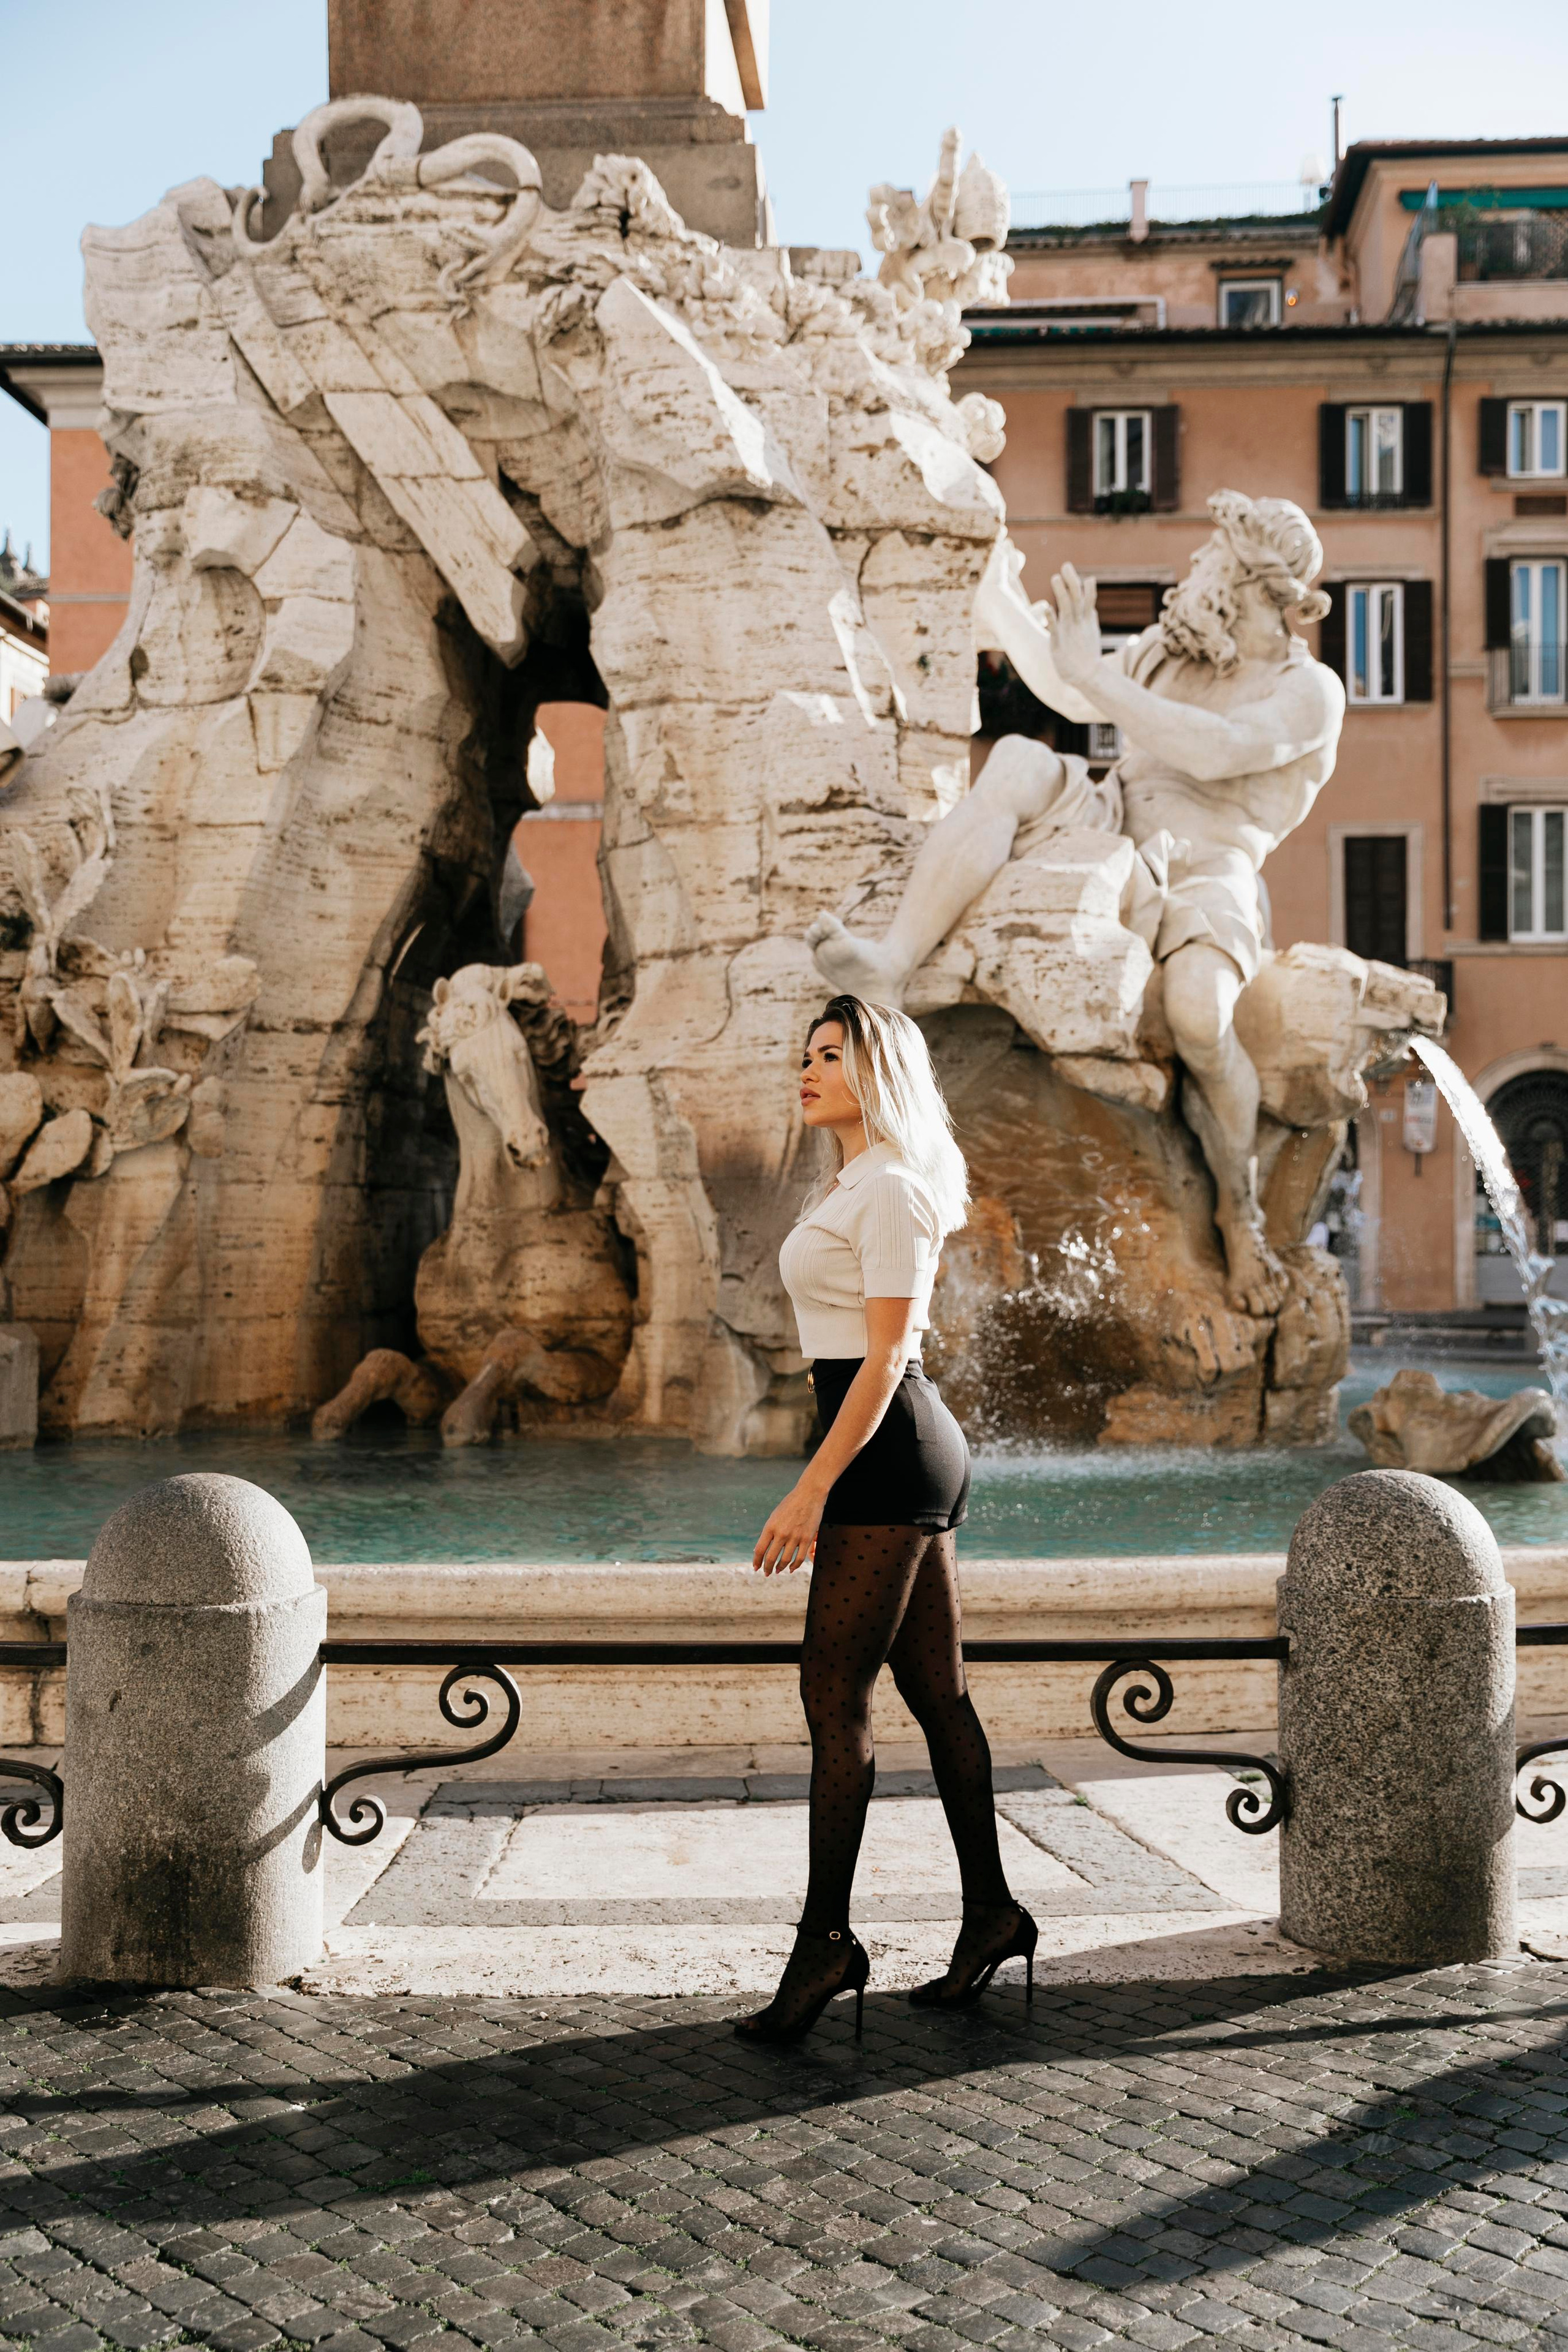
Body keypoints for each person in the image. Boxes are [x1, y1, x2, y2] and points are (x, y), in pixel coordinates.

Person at [807, 492, 1345, 1321]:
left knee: (1202, 1014)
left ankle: (1239, 1211)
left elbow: (1219, 748)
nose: (1194, 568)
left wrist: (1095, 672)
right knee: (1020, 758)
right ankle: (892, 961)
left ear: (1249, 582)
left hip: (1212, 866)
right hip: (1113, 825)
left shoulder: (1306, 689)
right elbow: (1071, 687)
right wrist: (993, 587)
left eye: (1211, 558)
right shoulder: (1174, 654)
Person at [735, 993, 1036, 2045]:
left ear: (879, 1071)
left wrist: (810, 1491)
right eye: (805, 1054)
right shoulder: (859, 1181)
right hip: (886, 1453)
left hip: (890, 1458)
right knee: (936, 1694)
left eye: (832, 1054)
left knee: (834, 1694)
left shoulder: (897, 1189)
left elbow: (887, 1361)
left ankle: (826, 1945)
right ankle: (994, 1912)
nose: (807, 1069)